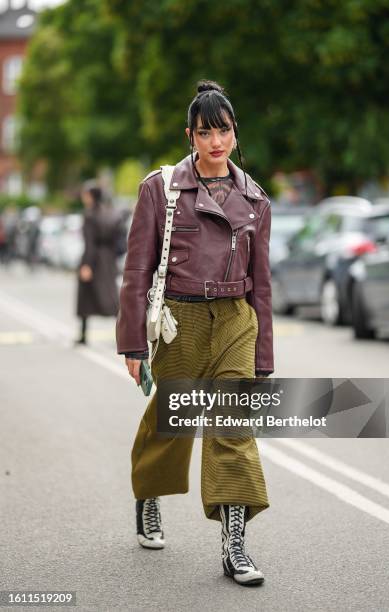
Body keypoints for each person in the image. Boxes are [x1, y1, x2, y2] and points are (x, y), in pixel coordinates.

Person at [116, 80, 274, 586]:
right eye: (205, 132)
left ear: (234, 132)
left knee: (232, 426)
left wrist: (264, 357)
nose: (215, 141)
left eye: (223, 130)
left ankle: (235, 545)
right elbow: (137, 270)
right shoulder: (160, 190)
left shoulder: (255, 200)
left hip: (234, 320)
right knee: (173, 423)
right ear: (190, 135)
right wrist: (132, 344)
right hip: (179, 323)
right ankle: (149, 496)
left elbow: (263, 285)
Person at [75, 180, 120, 344]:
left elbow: (90, 242)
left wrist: (86, 264)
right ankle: (123, 334)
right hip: (107, 259)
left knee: (86, 298)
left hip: (93, 260)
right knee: (111, 297)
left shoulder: (89, 215)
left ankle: (83, 335)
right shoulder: (109, 213)